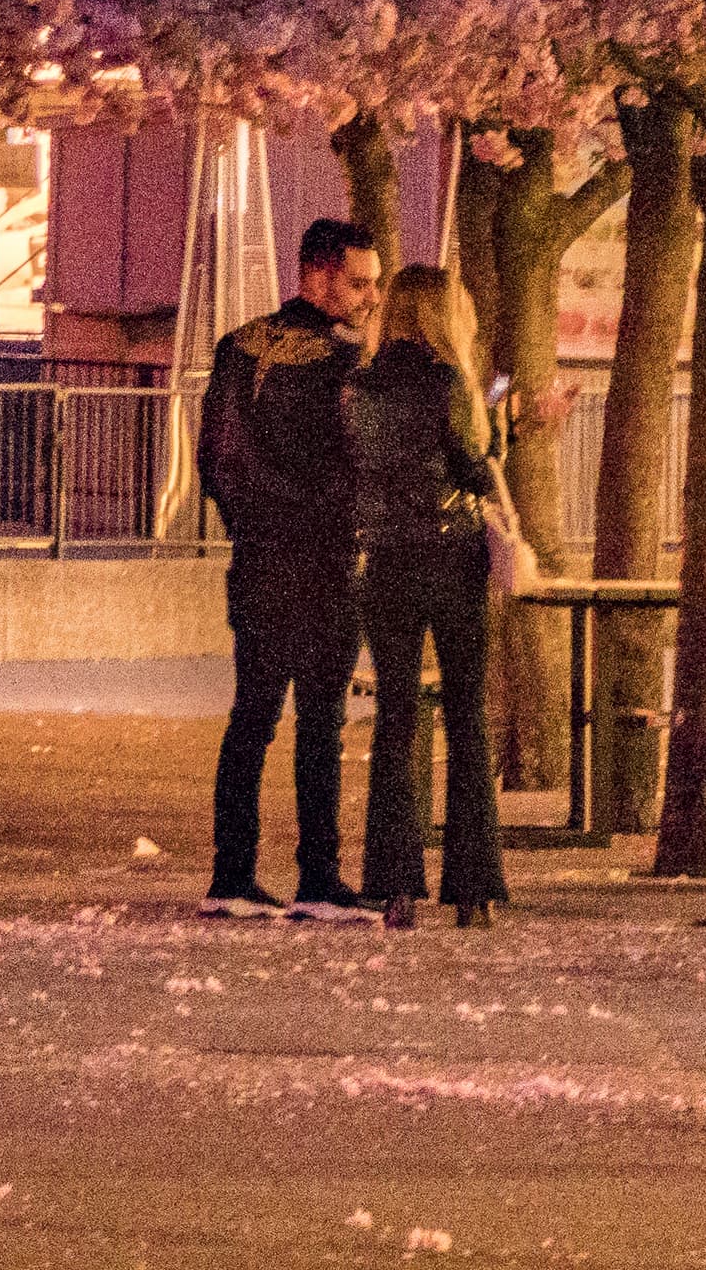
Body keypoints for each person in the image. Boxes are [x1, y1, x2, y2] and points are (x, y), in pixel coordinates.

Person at [199, 216, 383, 921]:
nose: (370, 298)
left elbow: (218, 460)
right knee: (320, 721)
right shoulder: (348, 364)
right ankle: (319, 875)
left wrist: (250, 523)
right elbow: (356, 459)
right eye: (359, 283)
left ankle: (232, 874)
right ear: (318, 276)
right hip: (325, 559)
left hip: (257, 559)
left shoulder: (238, 348)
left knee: (252, 717)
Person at [347, 265, 517, 929]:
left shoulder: (357, 387)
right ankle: (472, 887)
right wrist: (496, 409)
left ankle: (395, 886)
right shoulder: (449, 384)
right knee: (466, 715)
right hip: (452, 554)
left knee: (396, 717)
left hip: (386, 560)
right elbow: (475, 468)